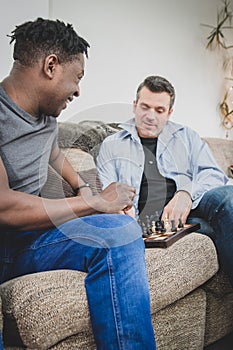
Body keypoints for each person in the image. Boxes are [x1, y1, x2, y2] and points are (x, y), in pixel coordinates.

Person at [0, 18, 156, 349]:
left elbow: (54, 153)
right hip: (6, 244)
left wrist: (88, 187)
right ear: (51, 66)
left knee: (121, 230)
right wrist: (94, 204)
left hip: (35, 238)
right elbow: (4, 207)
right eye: (78, 77)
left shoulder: (45, 115)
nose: (79, 90)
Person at [97, 75, 233, 287]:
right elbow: (106, 193)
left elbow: (214, 175)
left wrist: (186, 194)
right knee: (218, 232)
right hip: (153, 227)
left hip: (191, 211)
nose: (150, 116)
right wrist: (120, 211)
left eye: (159, 110)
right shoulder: (111, 145)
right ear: (134, 106)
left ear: (169, 113)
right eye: (145, 107)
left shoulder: (186, 136)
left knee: (227, 198)